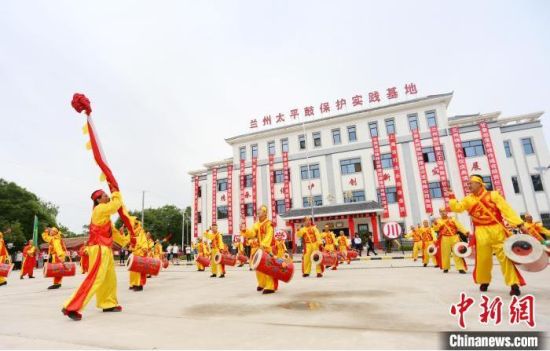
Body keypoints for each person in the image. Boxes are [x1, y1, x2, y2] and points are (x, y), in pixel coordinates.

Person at [449, 174, 528, 296]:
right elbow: (458, 208)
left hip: (497, 230)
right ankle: (484, 280)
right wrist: (452, 197)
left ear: (480, 183)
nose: (468, 185)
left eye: (471, 183)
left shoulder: (493, 195)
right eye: (468, 183)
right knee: (483, 259)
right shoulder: (468, 199)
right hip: (481, 231)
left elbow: (506, 210)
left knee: (505, 258)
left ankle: (514, 284)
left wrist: (519, 224)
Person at [61, 189, 130, 321]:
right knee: (95, 279)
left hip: (106, 249)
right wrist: (116, 193)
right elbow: (116, 206)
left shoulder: (105, 217)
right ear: (98, 200)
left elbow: (115, 235)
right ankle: (71, 306)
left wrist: (129, 239)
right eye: (105, 195)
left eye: (108, 194)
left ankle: (108, 303)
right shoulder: (100, 209)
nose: (108, 196)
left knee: (109, 279)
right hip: (98, 248)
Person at [243, 205, 278, 294]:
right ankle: (262, 283)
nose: (258, 211)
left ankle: (270, 286)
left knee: (268, 267)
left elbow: (269, 235)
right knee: (258, 267)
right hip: (259, 248)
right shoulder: (256, 224)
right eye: (258, 210)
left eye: (260, 210)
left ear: (265, 213)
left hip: (267, 247)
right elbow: (252, 233)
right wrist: (245, 230)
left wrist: (263, 244)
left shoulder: (269, 223)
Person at [431, 207, 468, 274]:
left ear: (447, 212)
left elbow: (459, 226)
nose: (443, 212)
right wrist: (435, 224)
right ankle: (446, 267)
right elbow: (436, 229)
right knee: (445, 254)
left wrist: (465, 232)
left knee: (457, 252)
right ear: (439, 213)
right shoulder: (438, 220)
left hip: (455, 237)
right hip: (444, 238)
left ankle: (460, 268)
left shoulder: (452, 219)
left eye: (444, 211)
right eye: (441, 211)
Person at [127, 218, 149, 291]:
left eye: (134, 224)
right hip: (134, 254)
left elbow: (144, 242)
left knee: (138, 271)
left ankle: (139, 285)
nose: (133, 226)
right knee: (133, 270)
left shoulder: (141, 233)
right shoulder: (132, 234)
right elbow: (130, 243)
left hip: (140, 254)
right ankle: (133, 283)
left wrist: (144, 249)